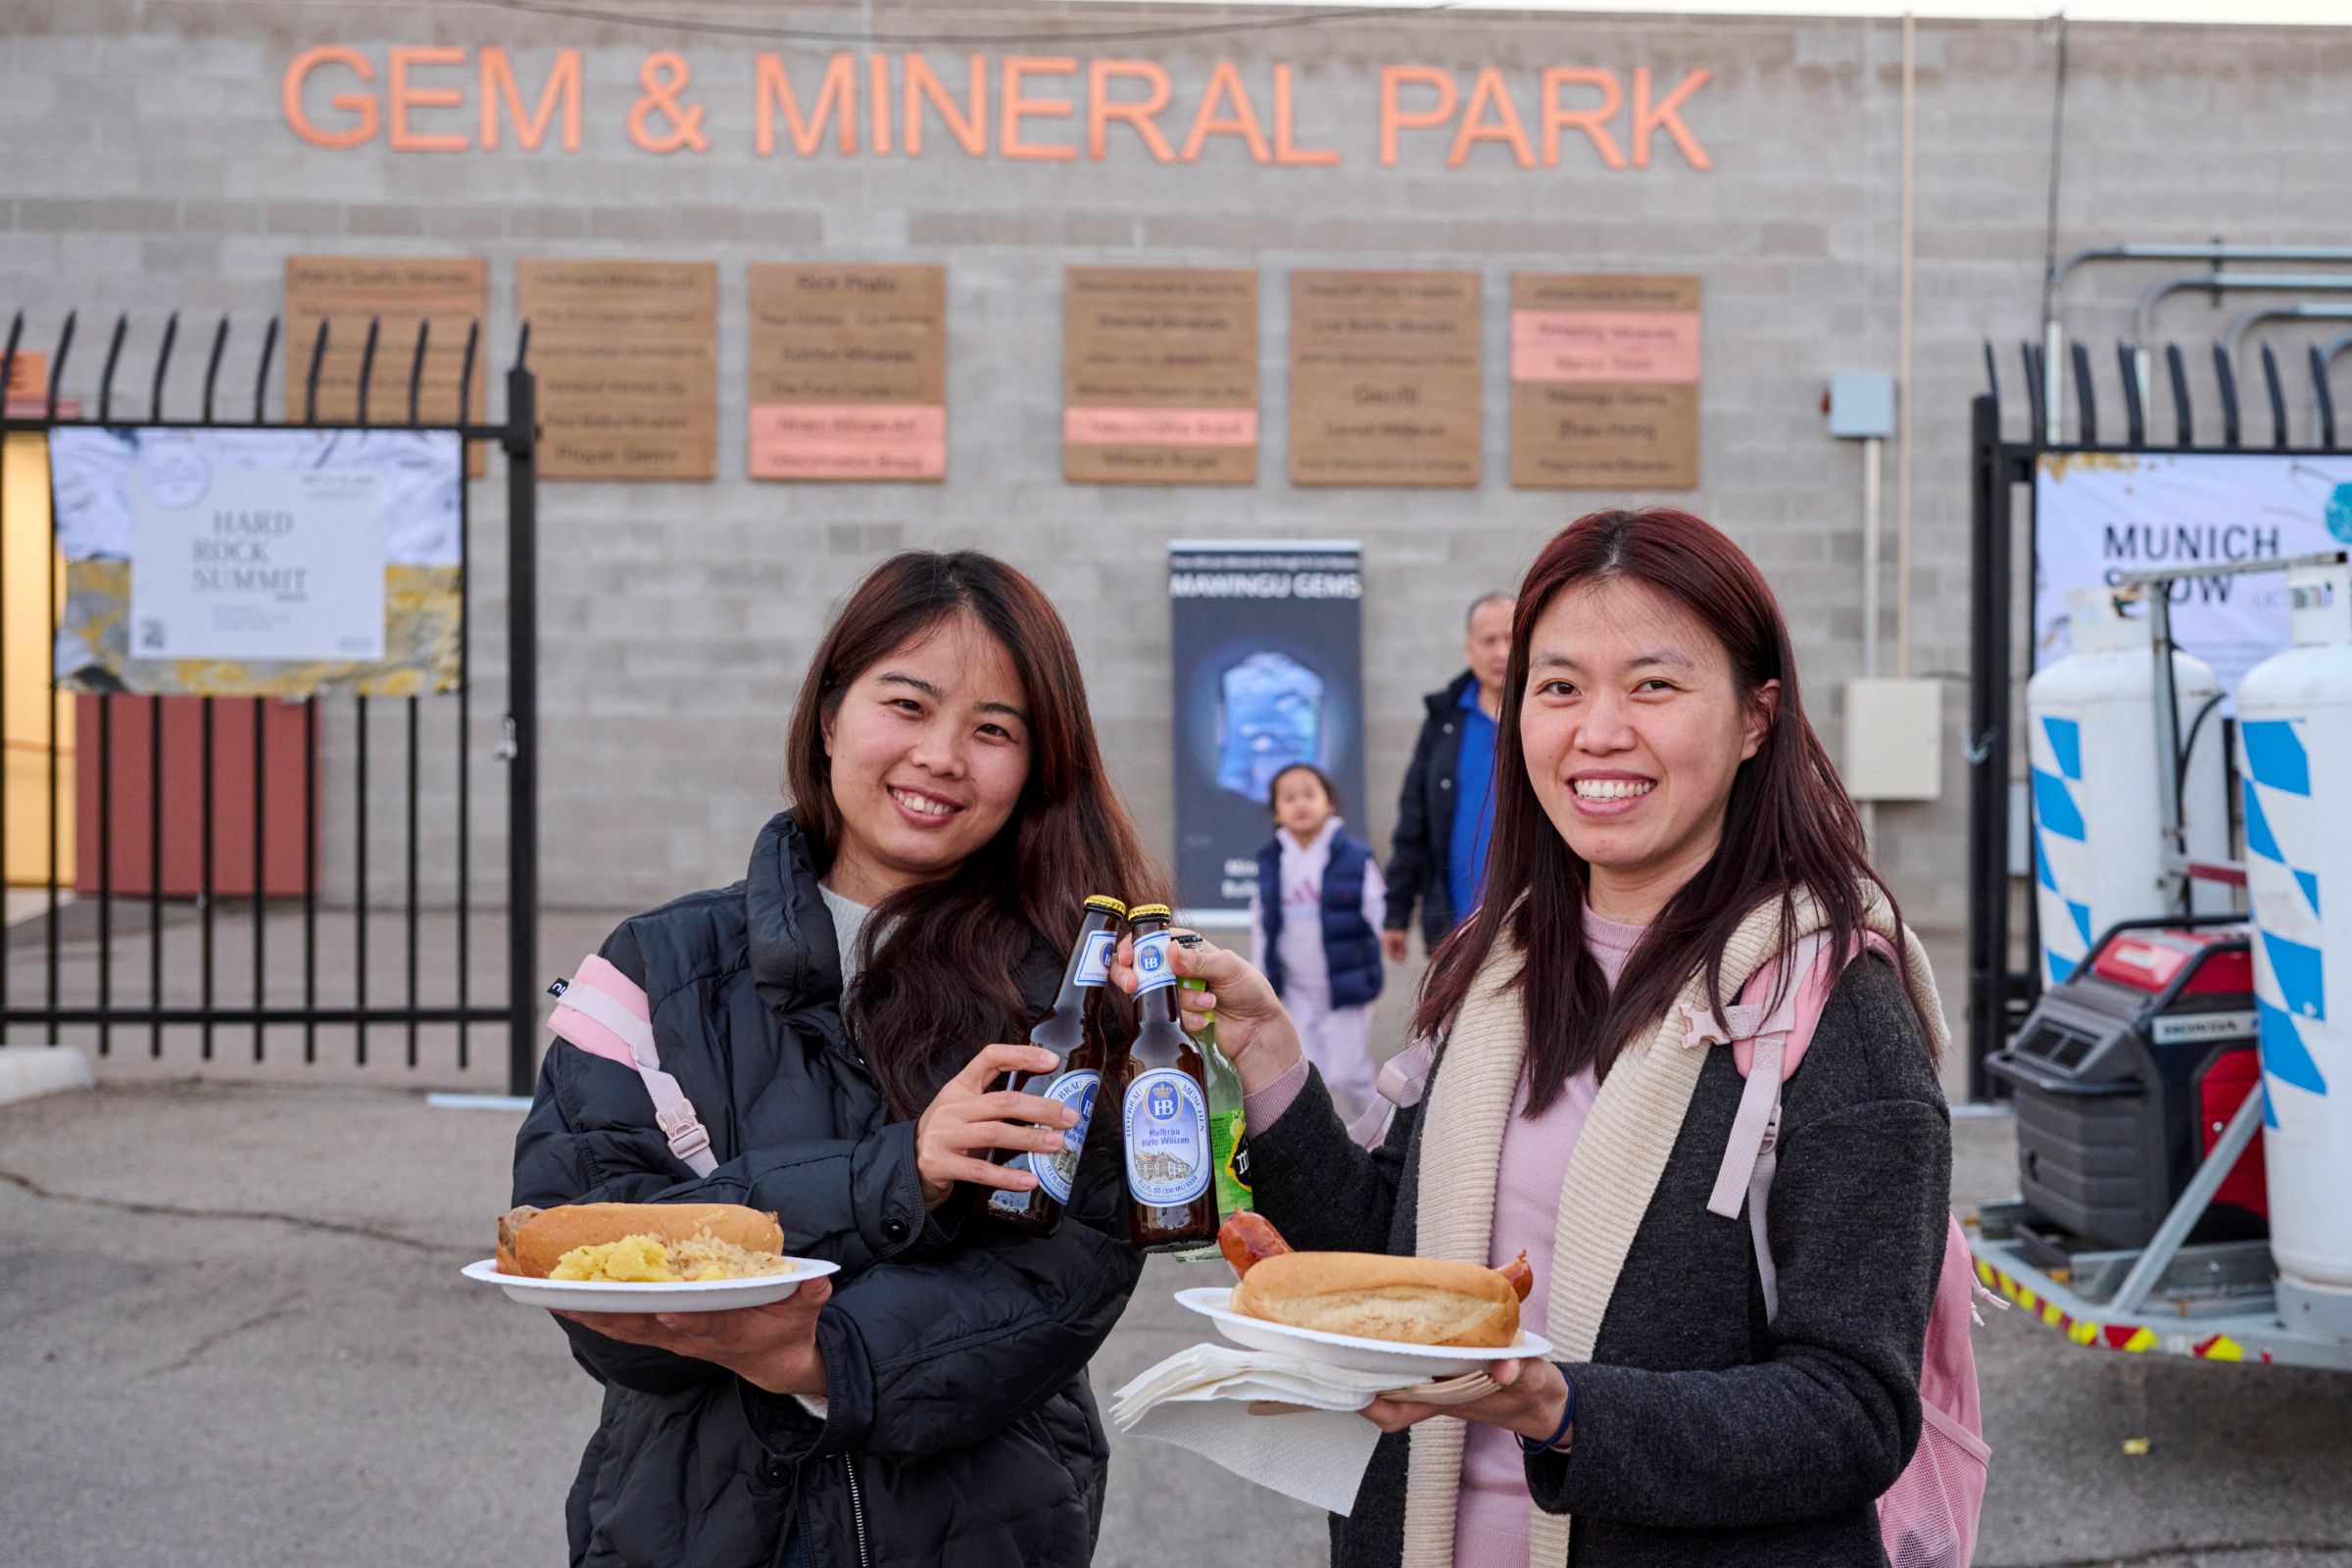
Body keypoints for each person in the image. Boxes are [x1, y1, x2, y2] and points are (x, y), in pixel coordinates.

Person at [1129, 509, 1953, 1567]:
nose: (1598, 732)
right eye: (1559, 686)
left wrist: (1563, 1411)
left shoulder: (1833, 1006)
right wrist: (1269, 1057)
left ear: (1757, 717)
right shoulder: (1493, 968)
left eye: (1653, 685)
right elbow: (1390, 1271)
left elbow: (1854, 1410)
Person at [512, 551, 1164, 1568]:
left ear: (1038, 766)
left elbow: (1061, 1281)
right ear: (828, 717)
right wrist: (896, 1176)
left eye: (993, 730)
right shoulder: (653, 967)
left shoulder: (1072, 999)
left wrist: (824, 1358)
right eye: (907, 705)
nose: (941, 756)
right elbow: (589, 1273)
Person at [1383, 591, 1515, 965]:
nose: (1501, 652)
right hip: (1455, 928)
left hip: (1535, 927)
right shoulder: (1444, 722)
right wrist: (1397, 912)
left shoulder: (1551, 714)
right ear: (1469, 649)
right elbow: (1414, 821)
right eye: (1489, 641)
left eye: (1511, 639)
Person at [1248, 762, 1386, 1119]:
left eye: (1309, 794)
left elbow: (1377, 911)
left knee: (1351, 1076)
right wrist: (1263, 977)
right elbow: (1262, 923)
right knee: (1307, 1075)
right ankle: (1325, 1145)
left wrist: (1384, 942)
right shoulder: (1271, 861)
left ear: (1329, 803)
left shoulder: (1355, 857)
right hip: (1295, 989)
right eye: (1289, 797)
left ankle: (1381, 1137)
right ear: (1277, 812)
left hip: (1345, 985)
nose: (1300, 803)